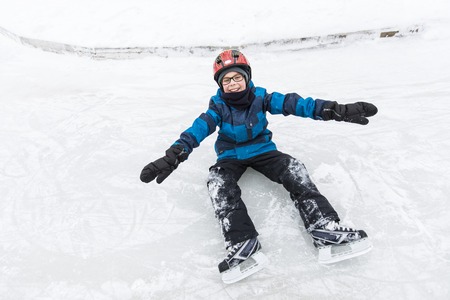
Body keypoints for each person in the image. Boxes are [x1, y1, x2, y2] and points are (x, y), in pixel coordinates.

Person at [140, 49, 377, 283]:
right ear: (220, 85)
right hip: (230, 155)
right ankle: (241, 241)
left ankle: (324, 226)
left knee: (293, 168)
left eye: (237, 77)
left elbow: (299, 105)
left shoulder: (262, 98)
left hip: (263, 150)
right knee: (218, 182)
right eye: (226, 80)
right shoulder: (217, 108)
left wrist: (336, 110)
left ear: (247, 78)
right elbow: (195, 132)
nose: (232, 84)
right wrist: (173, 156)